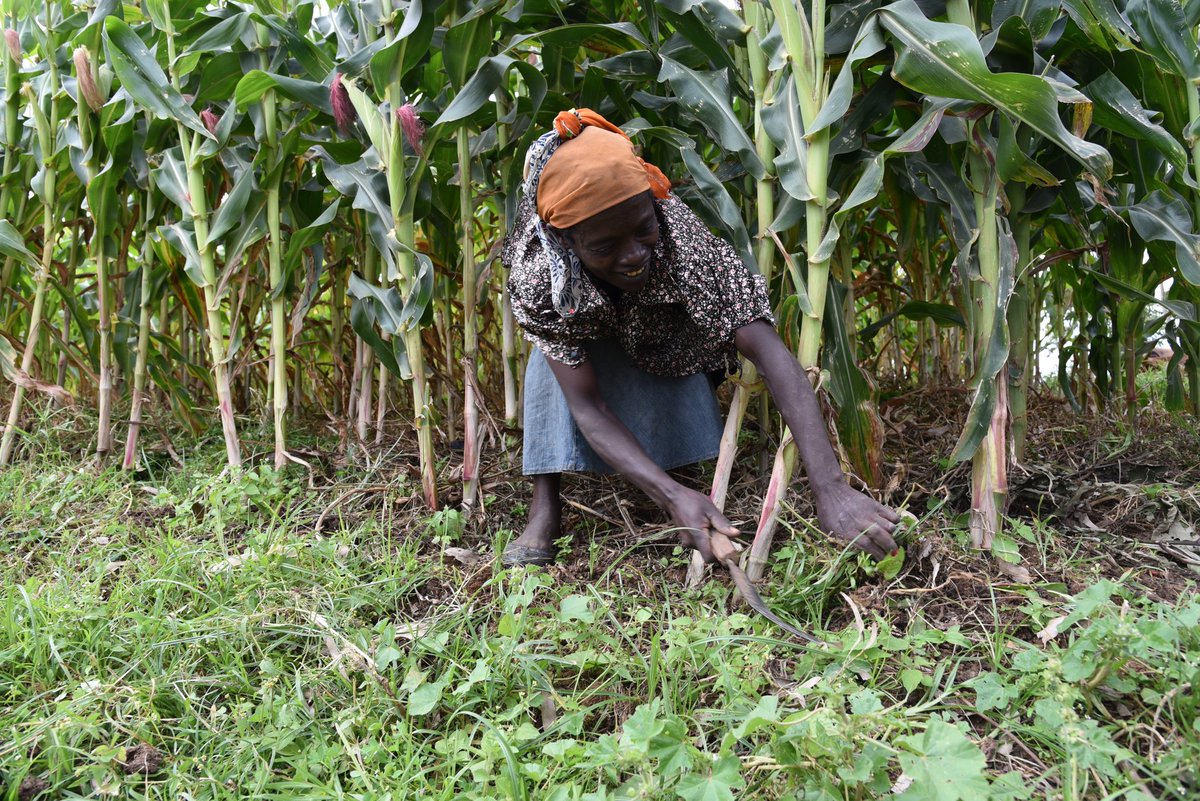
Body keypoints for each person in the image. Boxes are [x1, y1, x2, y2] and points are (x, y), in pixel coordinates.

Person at [499, 108, 899, 567]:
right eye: (606, 246)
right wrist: (672, 498)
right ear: (567, 242)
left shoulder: (683, 242)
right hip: (582, 327)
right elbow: (587, 407)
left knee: (666, 341)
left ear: (654, 204)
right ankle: (545, 504)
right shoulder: (538, 276)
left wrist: (830, 487)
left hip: (666, 336)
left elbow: (765, 348)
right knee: (554, 367)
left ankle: (673, 461)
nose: (633, 256)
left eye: (643, 229)